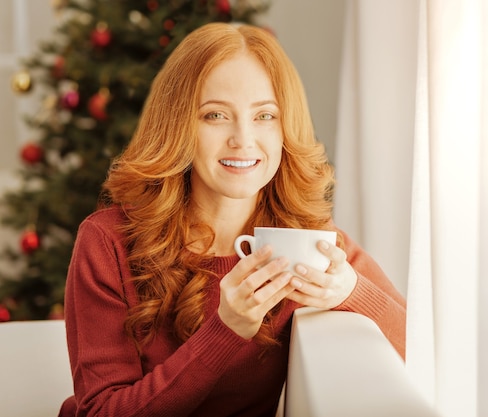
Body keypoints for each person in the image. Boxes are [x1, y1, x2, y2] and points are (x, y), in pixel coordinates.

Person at [60, 22, 406, 417]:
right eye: (215, 115)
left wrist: (350, 292)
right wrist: (224, 333)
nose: (243, 138)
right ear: (179, 126)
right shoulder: (108, 242)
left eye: (265, 116)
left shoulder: (306, 244)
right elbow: (102, 412)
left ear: (284, 130)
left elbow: (421, 348)